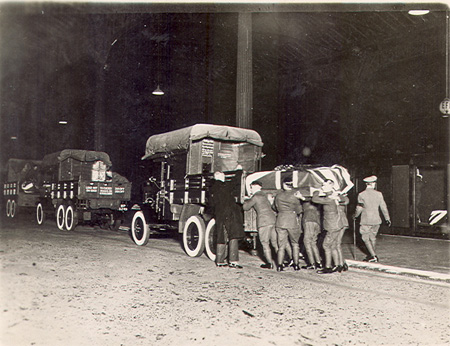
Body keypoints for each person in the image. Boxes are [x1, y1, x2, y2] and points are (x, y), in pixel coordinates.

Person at [210, 169, 245, 268]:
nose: (224, 178)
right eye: (223, 176)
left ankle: (220, 261)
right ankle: (233, 261)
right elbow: (234, 183)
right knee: (233, 236)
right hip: (228, 214)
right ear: (219, 177)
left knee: (222, 236)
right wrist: (239, 171)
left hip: (220, 214)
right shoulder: (221, 186)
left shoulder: (213, 188)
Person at [353, 175, 391, 263]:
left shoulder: (362, 195)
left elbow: (359, 208)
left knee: (366, 238)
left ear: (366, 184)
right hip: (376, 220)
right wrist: (387, 218)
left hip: (366, 220)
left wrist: (355, 216)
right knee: (372, 237)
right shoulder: (379, 194)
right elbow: (383, 207)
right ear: (373, 184)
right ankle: (371, 255)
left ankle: (373, 256)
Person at [243, 180, 277, 269]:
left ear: (254, 187)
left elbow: (245, 207)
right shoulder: (264, 195)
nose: (250, 189)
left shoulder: (256, 196)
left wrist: (246, 200)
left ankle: (269, 263)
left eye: (251, 187)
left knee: (265, 243)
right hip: (273, 220)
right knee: (275, 242)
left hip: (264, 222)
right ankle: (280, 262)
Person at [272, 177, 303, 272]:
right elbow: (299, 210)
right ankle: (296, 265)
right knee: (295, 244)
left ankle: (280, 265)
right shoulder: (295, 195)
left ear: (283, 184)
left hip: (280, 221)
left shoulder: (278, 195)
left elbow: (274, 207)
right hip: (292, 221)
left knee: (281, 245)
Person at [311, 179, 342, 274]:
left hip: (332, 225)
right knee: (332, 246)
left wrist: (317, 191)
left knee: (326, 245)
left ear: (331, 186)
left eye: (324, 185)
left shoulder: (330, 198)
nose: (322, 187)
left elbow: (314, 199)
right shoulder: (331, 196)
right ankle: (337, 265)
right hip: (336, 225)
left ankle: (328, 267)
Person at [299, 199, 323, 270]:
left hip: (308, 220)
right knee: (313, 243)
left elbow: (298, 210)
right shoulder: (316, 200)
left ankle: (311, 263)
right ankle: (319, 262)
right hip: (317, 221)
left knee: (307, 242)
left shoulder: (305, 201)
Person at [336, 193, 350, 271]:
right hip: (341, 222)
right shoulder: (341, 197)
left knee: (337, 243)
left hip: (340, 223)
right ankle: (342, 263)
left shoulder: (340, 197)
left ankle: (341, 264)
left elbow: (346, 201)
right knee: (337, 243)